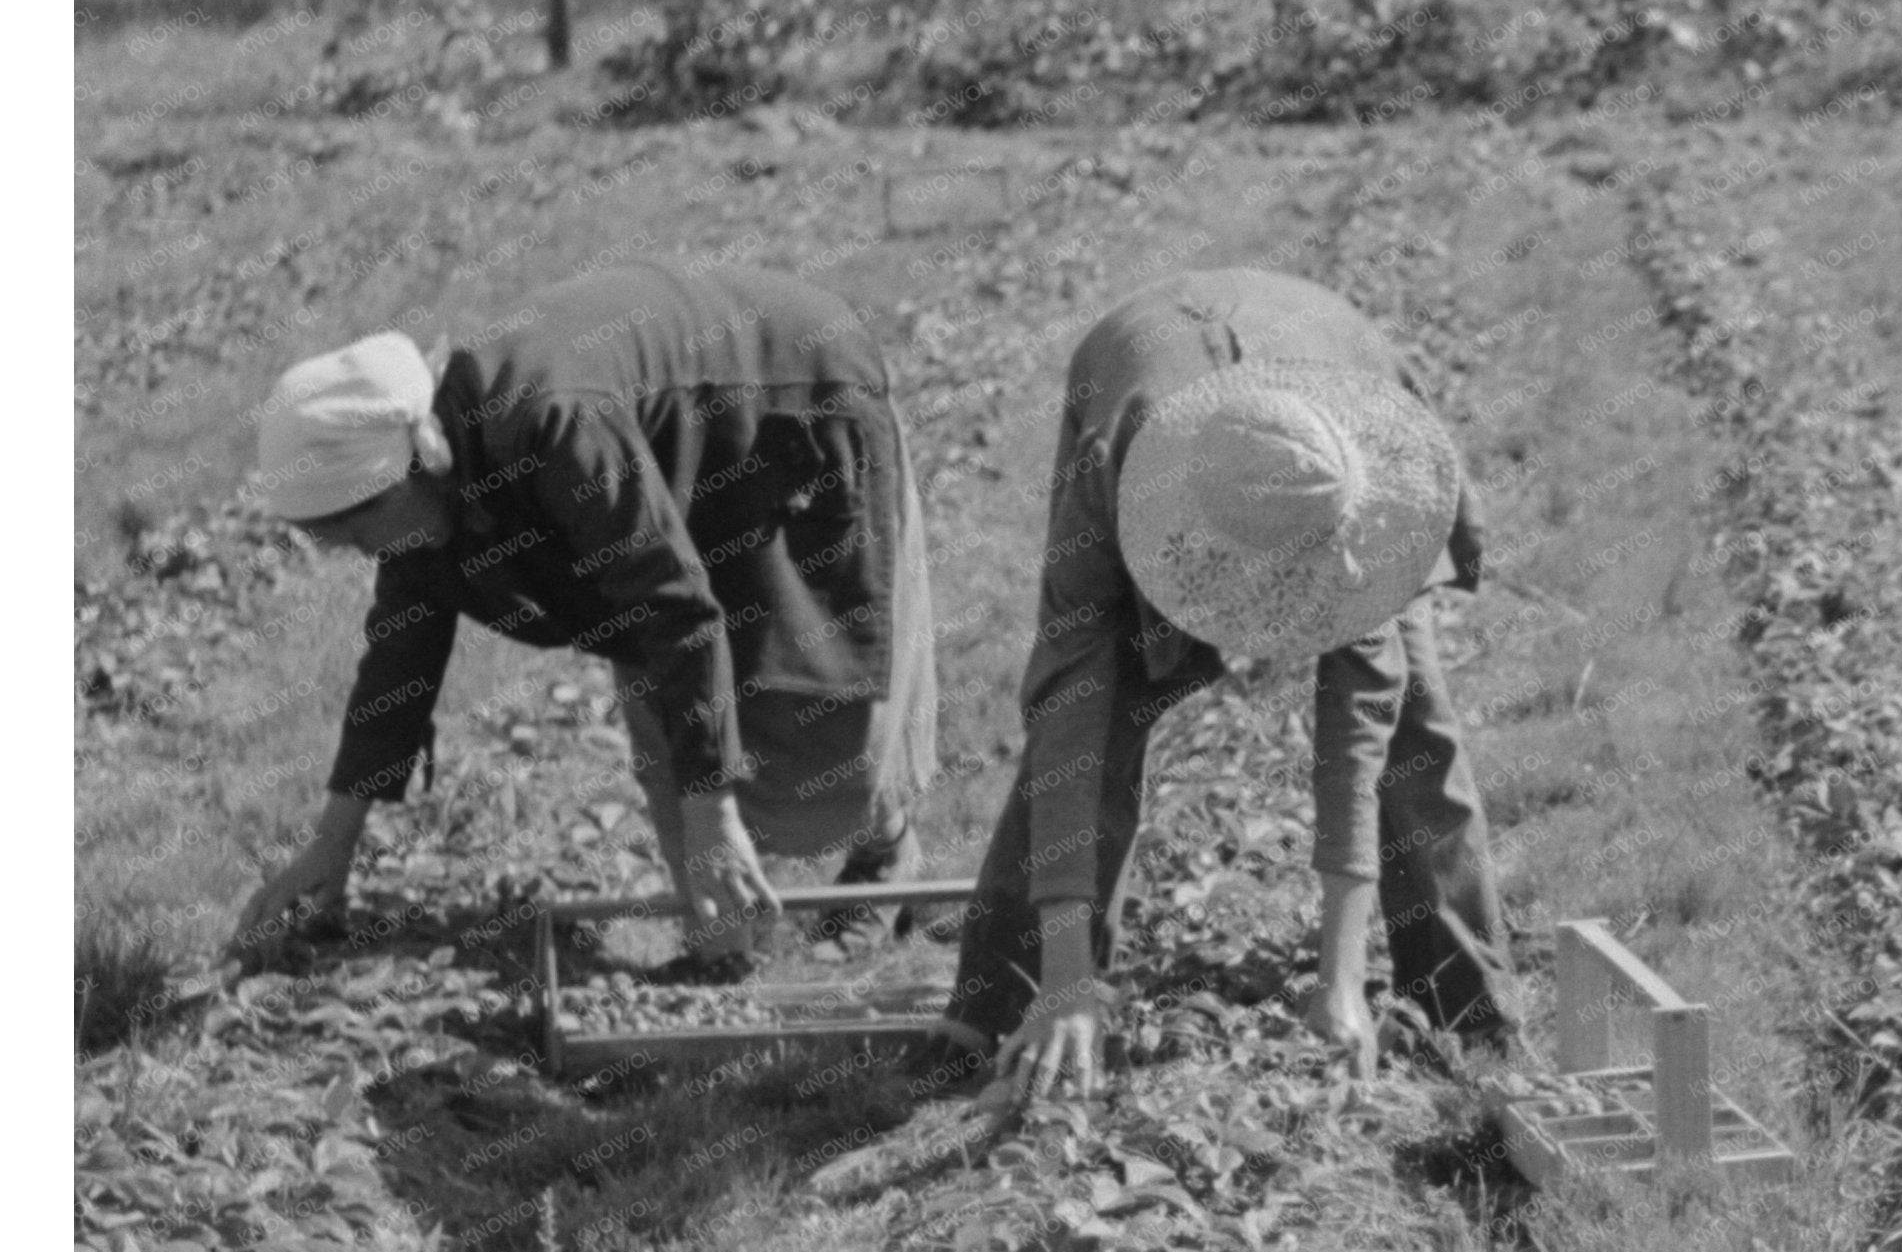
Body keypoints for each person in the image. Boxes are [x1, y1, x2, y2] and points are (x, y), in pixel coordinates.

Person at [233, 263, 939, 957]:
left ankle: (885, 857)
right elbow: (399, 662)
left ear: (407, 472)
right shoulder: (426, 484)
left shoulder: (549, 424)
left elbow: (675, 611)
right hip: (668, 455)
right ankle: (726, 944)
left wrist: (714, 812)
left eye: (356, 533)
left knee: (810, 732)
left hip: (786, 398)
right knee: (670, 715)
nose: (363, 553)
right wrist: (332, 844)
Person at [946, 268, 1519, 1106]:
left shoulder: (1357, 498)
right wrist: (1069, 980)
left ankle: (1467, 1010)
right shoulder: (1118, 468)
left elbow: (1355, 731)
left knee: (1412, 723)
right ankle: (1010, 1002)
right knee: (1094, 720)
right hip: (1137, 360)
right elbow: (1075, 703)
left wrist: (1342, 980)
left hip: (1330, 364)